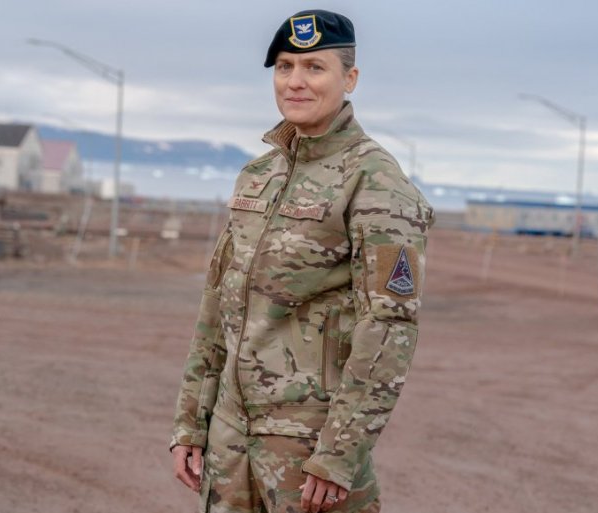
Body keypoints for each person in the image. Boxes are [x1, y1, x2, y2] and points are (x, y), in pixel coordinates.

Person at [170, 9, 435, 513]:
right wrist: (191, 422)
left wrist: (338, 456)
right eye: (285, 66)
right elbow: (218, 307)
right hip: (230, 440)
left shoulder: (375, 181)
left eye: (314, 67)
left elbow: (389, 328)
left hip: (307, 448)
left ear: (349, 79)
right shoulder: (258, 176)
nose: (295, 81)